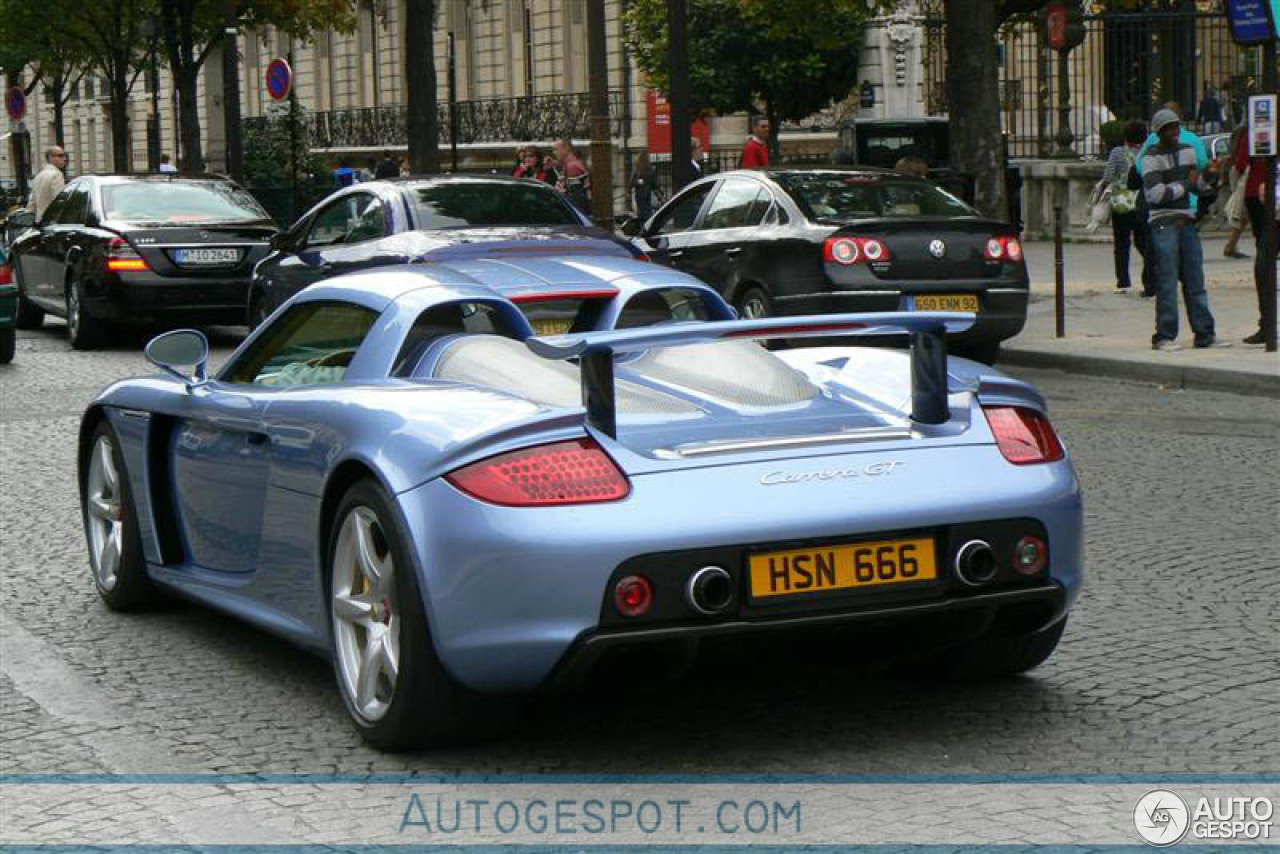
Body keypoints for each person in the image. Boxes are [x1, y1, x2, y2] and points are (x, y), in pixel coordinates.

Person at [1140, 108, 1226, 351]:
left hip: (1186, 220)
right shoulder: (1150, 157)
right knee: (1166, 281)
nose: (1175, 132)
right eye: (1169, 128)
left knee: (1195, 280)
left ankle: (1204, 333)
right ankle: (1164, 335)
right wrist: (1187, 184)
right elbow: (1156, 195)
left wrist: (1209, 176)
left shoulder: (1187, 151)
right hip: (1163, 222)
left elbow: (1196, 186)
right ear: (1159, 132)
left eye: (1176, 126)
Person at [1233, 123, 1275, 344]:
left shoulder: (1261, 125)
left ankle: (1267, 324)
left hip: (1259, 196)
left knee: (1264, 262)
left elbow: (1241, 163)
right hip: (1262, 196)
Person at [1102, 121, 1145, 292]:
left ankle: (1123, 282)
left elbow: (1108, 175)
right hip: (1141, 201)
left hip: (1121, 203)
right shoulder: (1146, 152)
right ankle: (1151, 275)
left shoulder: (1118, 152)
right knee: (1143, 242)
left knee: (1121, 244)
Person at [1220, 126, 1250, 259]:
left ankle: (1231, 245)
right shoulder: (1246, 134)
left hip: (1238, 175)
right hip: (1244, 176)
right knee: (1242, 212)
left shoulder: (1241, 134)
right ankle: (1230, 246)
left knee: (1242, 213)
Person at [27, 146, 67, 219]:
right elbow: (59, 200)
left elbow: (32, 203)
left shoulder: (38, 176)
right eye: (60, 156)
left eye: (65, 155)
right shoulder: (56, 175)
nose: (64, 159)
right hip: (53, 220)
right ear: (51, 158)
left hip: (39, 220)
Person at [554, 139, 590, 212]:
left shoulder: (572, 167)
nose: (554, 152)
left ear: (566, 148)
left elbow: (576, 198)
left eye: (556, 149)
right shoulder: (569, 165)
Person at [630, 152, 656, 222]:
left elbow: (632, 182)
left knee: (641, 212)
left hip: (639, 193)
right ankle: (648, 224)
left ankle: (643, 227)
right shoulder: (651, 168)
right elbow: (654, 183)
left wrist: (639, 182)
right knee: (648, 210)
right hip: (648, 192)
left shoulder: (637, 168)